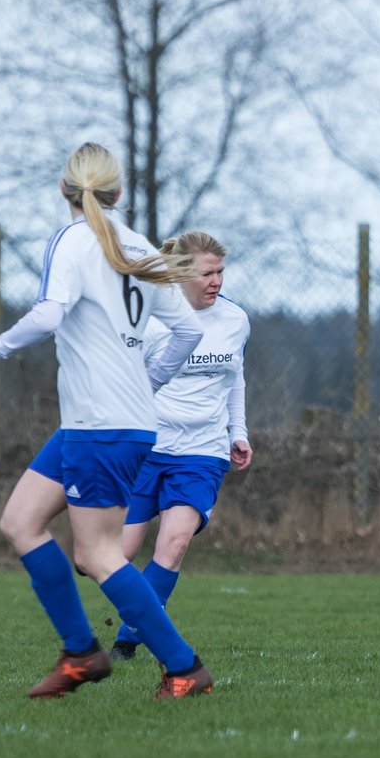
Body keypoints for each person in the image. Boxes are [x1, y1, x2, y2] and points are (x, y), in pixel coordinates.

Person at [0, 142, 216, 700]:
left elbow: (51, 313)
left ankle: (183, 667)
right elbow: (188, 332)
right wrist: (146, 383)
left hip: (99, 426)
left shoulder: (73, 240)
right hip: (105, 422)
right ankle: (81, 652)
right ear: (118, 192)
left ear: (66, 192)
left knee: (97, 554)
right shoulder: (137, 245)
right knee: (20, 521)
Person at [110, 231, 252, 662]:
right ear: (181, 274)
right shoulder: (151, 323)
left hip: (202, 454)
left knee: (173, 544)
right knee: (116, 555)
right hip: (147, 449)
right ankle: (117, 627)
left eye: (220, 272)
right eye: (208, 273)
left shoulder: (235, 321)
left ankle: (126, 642)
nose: (217, 281)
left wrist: (237, 432)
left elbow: (235, 380)